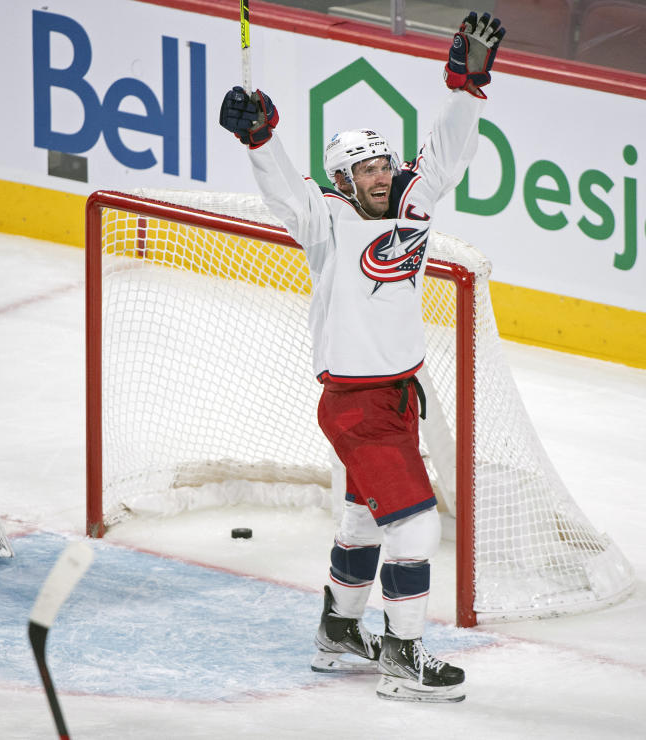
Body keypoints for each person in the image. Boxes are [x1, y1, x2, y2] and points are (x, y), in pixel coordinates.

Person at [219, 11, 505, 702]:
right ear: (342, 180)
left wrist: (467, 86)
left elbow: (448, 152)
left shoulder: (413, 206)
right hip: (356, 406)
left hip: (398, 396)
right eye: (363, 169)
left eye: (383, 164)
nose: (379, 177)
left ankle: (339, 632)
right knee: (414, 524)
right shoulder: (325, 223)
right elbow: (283, 187)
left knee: (360, 519)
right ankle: (403, 655)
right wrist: (260, 136)